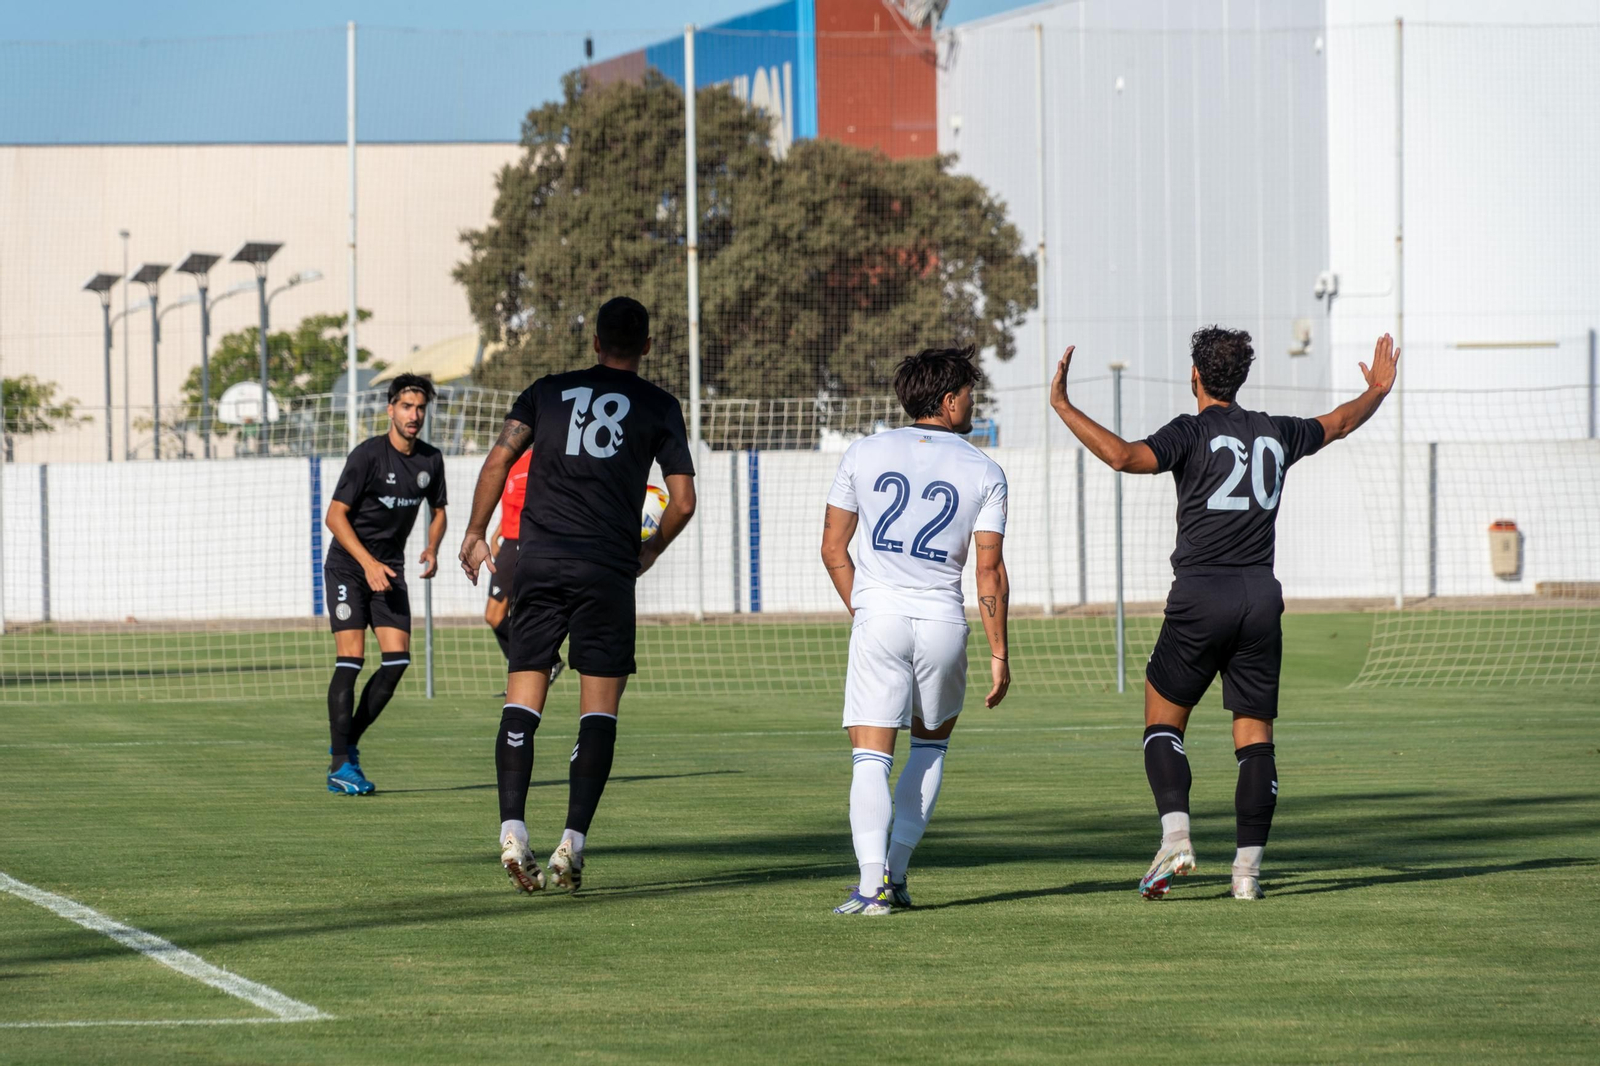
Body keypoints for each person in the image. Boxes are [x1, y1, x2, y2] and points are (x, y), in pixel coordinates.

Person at [1050, 328, 1398, 900]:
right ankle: (1246, 875)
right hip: (1261, 597)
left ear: (1195, 376)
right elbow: (1336, 422)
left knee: (1163, 719)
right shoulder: (1276, 431)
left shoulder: (1190, 432)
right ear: (1242, 378)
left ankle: (1176, 836)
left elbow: (1122, 456)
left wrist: (1064, 405)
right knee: (1254, 738)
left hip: (1200, 595)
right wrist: (1379, 390)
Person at [458, 296, 697, 894]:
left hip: (537, 562)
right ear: (646, 346)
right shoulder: (660, 405)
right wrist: (648, 553)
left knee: (523, 700)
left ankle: (513, 827)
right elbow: (684, 500)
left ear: (594, 342)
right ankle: (572, 843)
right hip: (606, 569)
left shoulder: (544, 391)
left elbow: (498, 459)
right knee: (598, 710)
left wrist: (474, 531)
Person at [820, 346, 1011, 916]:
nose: (973, 401)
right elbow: (989, 570)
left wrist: (869, 609)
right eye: (969, 392)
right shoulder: (985, 470)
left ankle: (871, 885)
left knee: (870, 758)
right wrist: (1000, 652)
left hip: (879, 617)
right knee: (929, 748)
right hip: (943, 623)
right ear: (949, 401)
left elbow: (833, 549)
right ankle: (897, 876)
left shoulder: (864, 451)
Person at [322, 373, 447, 795]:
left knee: (397, 661)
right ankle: (341, 764)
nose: (414, 416)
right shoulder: (367, 457)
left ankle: (347, 746)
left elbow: (440, 510)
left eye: (420, 408)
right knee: (351, 660)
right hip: (348, 567)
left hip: (388, 570)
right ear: (390, 409)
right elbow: (334, 516)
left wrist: (431, 547)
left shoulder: (431, 461)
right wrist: (367, 563)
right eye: (406, 407)